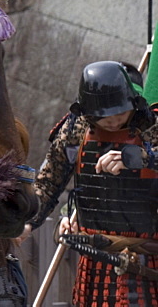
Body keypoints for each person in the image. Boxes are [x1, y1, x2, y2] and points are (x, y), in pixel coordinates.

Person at [27, 60, 158, 306]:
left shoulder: (150, 124)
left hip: (146, 255)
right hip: (94, 255)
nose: (113, 121)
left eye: (120, 112)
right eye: (103, 116)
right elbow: (48, 181)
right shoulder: (75, 129)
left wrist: (145, 157)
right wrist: (27, 220)